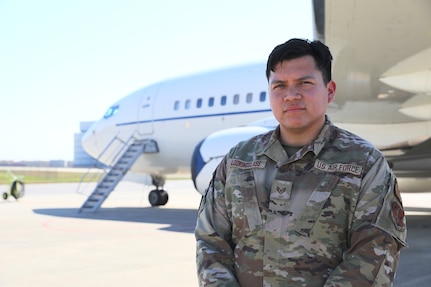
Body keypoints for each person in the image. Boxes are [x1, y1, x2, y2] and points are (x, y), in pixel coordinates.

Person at [194, 38, 407, 287]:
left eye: (304, 83)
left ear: (330, 90)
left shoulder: (364, 164)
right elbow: (211, 240)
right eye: (279, 86)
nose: (291, 95)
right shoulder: (238, 161)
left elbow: (374, 252)